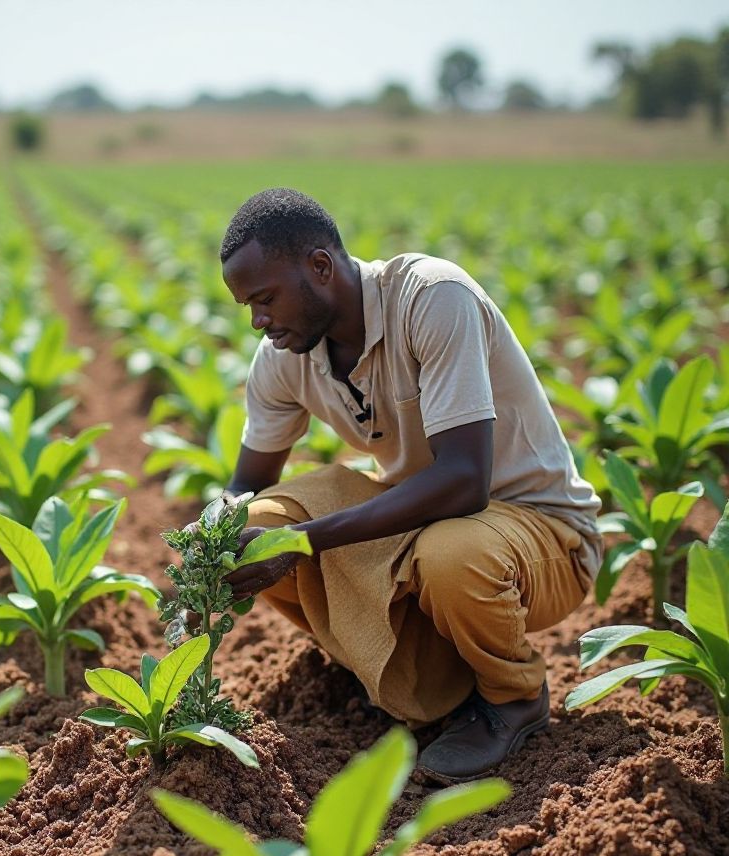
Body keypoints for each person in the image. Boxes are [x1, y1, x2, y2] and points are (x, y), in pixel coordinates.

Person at [213, 187, 602, 784]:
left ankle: (511, 697)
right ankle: (425, 679)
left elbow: (465, 482)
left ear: (320, 266)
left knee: (450, 556)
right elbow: (248, 482)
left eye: (265, 299)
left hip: (538, 527)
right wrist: (213, 535)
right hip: (425, 521)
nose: (259, 322)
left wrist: (306, 542)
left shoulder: (430, 298)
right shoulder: (283, 355)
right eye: (248, 307)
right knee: (258, 527)